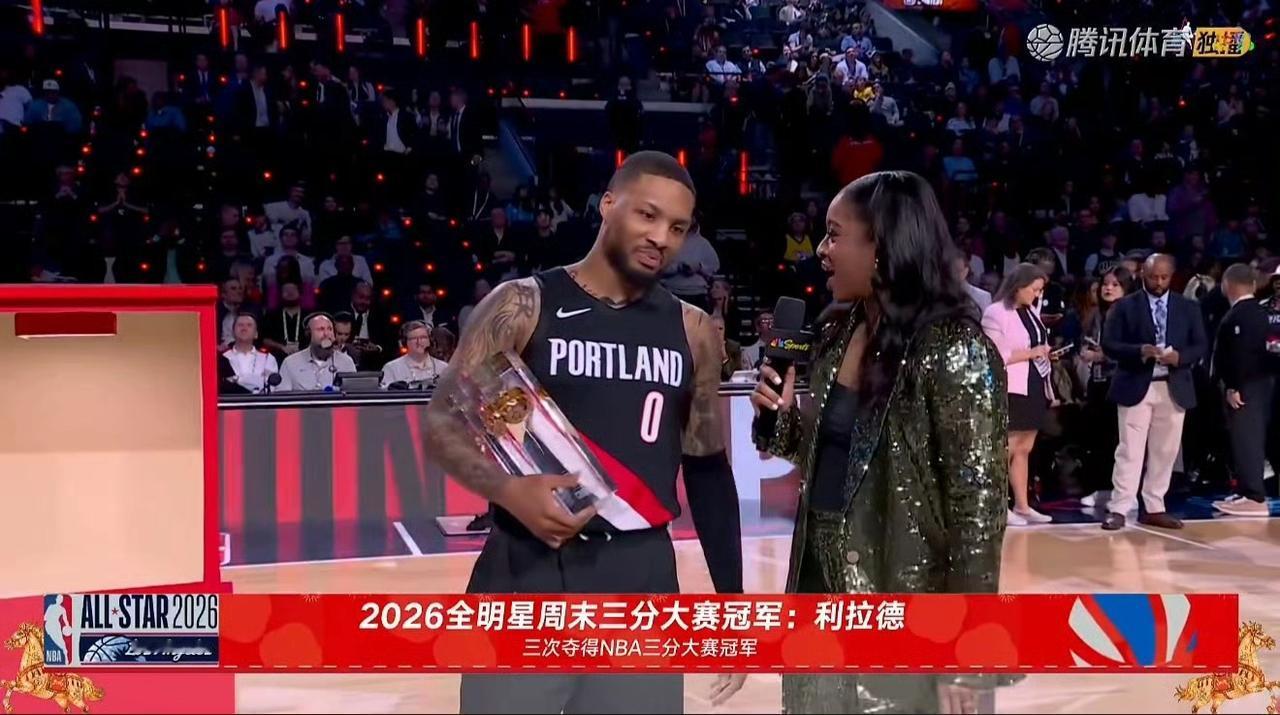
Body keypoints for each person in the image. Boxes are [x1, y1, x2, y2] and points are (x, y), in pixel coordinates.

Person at [422, 152, 747, 714]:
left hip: (640, 576)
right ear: (608, 204)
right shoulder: (523, 303)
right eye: (648, 215)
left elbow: (707, 469)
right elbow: (442, 420)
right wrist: (508, 491)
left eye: (678, 228)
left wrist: (731, 608)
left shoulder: (693, 329)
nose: (661, 238)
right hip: (526, 568)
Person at [751, 171, 1010, 714]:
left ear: (884, 246)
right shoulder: (835, 333)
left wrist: (968, 653)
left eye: (834, 234)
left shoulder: (953, 348)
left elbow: (978, 509)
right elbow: (831, 462)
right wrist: (778, 418)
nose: (822, 251)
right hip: (819, 585)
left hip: (905, 596)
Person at [1101, 254, 1208, 531]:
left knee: (1166, 451)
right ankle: (1120, 507)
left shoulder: (1188, 307)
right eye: (1152, 277)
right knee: (1129, 450)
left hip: (1174, 386)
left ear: (1172, 276)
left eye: (1164, 277)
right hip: (1135, 385)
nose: (1158, 282)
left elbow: (1200, 345)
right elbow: (1110, 344)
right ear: (1142, 275)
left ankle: (1154, 506)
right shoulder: (1125, 306)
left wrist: (1180, 357)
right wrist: (1139, 351)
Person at [983, 264, 1055, 526]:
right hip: (1012, 386)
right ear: (1018, 286)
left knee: (1025, 448)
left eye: (1040, 290)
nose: (1037, 295)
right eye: (1034, 289)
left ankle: (1022, 506)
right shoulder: (995, 312)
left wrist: (1044, 352)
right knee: (1008, 447)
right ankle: (998, 506)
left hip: (1034, 384)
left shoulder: (1031, 311)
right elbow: (993, 354)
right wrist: (1030, 353)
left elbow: (1036, 344)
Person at [1212, 264, 1272, 516]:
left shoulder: (1244, 314)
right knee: (1242, 438)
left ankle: (1255, 497)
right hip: (1254, 384)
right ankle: (1247, 491)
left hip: (1247, 386)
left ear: (1226, 284)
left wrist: (1234, 385)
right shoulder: (1255, 311)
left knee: (1248, 438)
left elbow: (1242, 354)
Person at [1077, 267, 1134, 509]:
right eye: (1105, 284)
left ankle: (1123, 493)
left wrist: (1104, 355)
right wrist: (1086, 352)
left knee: (1117, 440)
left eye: (1115, 284)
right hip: (1098, 382)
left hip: (1118, 382)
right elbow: (1088, 343)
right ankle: (1101, 488)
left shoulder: (1130, 315)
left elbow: (1131, 350)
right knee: (1098, 439)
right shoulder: (1097, 315)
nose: (1108, 288)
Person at [277, 313, 357, 391]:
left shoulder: (346, 362)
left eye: (330, 329)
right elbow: (282, 397)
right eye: (320, 329)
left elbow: (354, 395)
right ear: (309, 334)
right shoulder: (290, 363)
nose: (326, 334)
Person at [380, 321, 448, 388]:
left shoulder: (443, 368)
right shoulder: (391, 368)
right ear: (404, 342)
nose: (419, 342)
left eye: (423, 337)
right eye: (413, 338)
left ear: (430, 340)